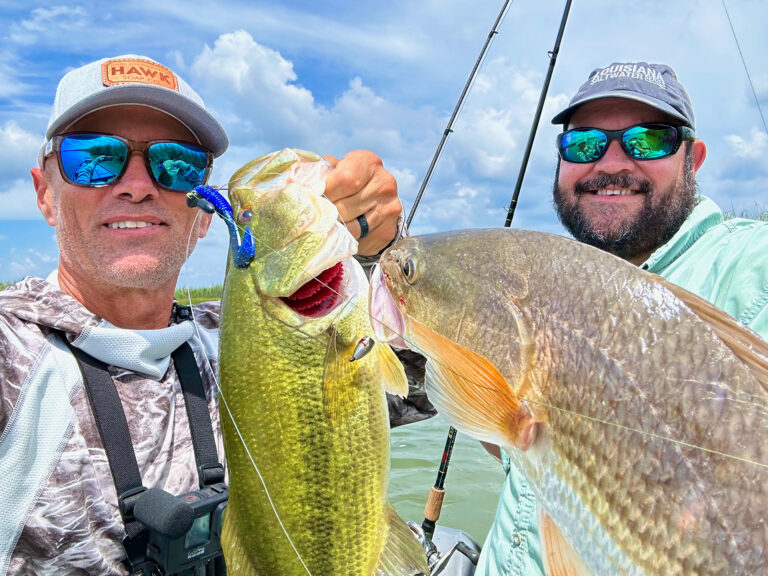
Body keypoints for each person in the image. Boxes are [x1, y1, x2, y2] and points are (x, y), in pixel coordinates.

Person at [0, 53, 429, 575]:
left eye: (175, 165)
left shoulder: (230, 333)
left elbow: (421, 384)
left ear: (203, 218)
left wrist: (380, 253)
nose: (137, 184)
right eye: (94, 158)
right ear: (45, 195)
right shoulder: (11, 355)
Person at [476, 61, 768, 575]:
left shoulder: (750, 265)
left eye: (650, 139)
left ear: (692, 160)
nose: (611, 162)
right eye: (584, 143)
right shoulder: (545, 287)